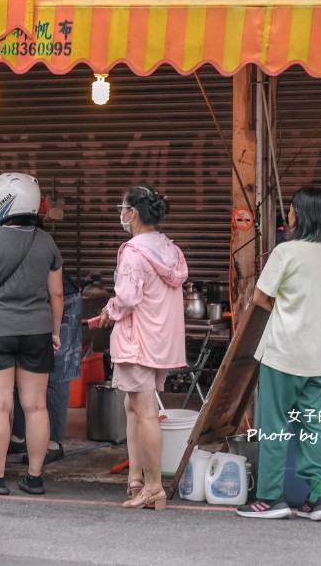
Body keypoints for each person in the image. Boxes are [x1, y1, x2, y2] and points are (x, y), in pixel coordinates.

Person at [236, 186, 321, 521]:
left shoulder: (286, 252)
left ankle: (270, 498)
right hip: (318, 355)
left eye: (292, 209)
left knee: (275, 426)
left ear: (303, 214)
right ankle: (316, 500)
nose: (289, 215)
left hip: (283, 352)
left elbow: (260, 298)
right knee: (312, 426)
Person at [0, 173, 64, 496]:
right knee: (36, 407)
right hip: (37, 331)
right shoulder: (47, 243)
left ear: (4, 202)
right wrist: (56, 332)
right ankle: (34, 478)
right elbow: (57, 295)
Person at [98, 185, 187, 511]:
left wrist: (110, 310)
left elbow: (128, 298)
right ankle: (136, 478)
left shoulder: (134, 252)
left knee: (145, 413)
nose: (121, 214)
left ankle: (153, 487)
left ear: (133, 212)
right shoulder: (170, 249)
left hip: (137, 342)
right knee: (133, 408)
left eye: (122, 208)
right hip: (161, 342)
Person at [11, 270, 83, 464]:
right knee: (23, 366)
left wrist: (56, 332)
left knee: (57, 371)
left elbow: (57, 292)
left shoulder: (40, 244)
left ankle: (54, 443)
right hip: (32, 303)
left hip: (63, 301)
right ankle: (19, 436)